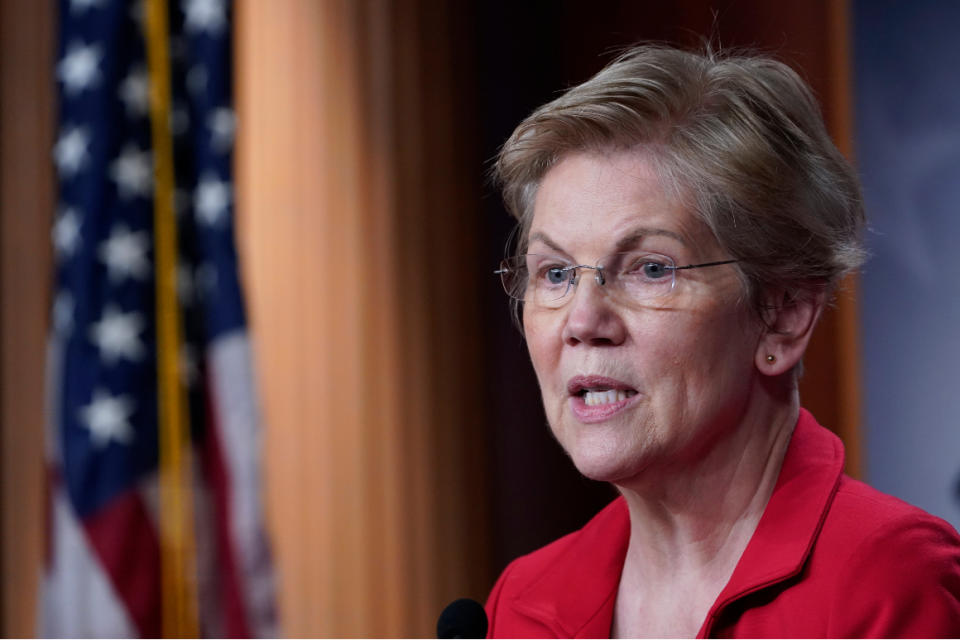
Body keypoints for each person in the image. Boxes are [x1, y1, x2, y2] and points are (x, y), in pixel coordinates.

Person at [486, 44, 960, 638]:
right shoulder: (522, 603)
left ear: (783, 315)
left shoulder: (885, 581)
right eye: (554, 274)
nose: (582, 320)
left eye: (650, 268)